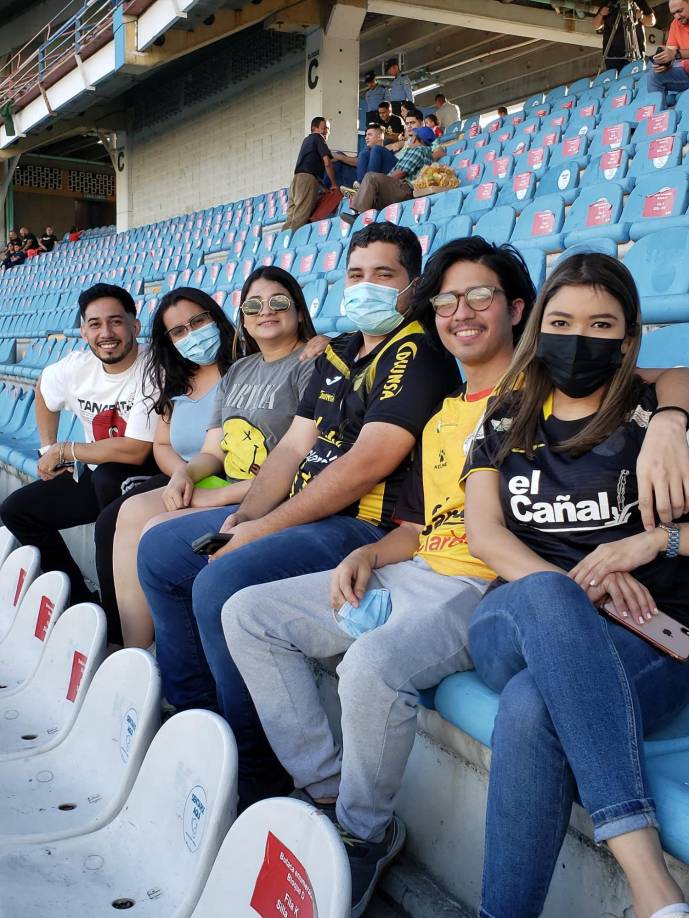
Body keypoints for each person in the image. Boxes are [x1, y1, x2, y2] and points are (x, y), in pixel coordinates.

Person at [222, 238, 537, 917]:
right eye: (447, 300)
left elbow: (660, 384)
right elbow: (423, 524)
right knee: (247, 613)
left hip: (488, 588)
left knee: (370, 665)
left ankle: (362, 836)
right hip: (421, 568)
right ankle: (329, 792)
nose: (460, 312)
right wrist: (367, 555)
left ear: (515, 307)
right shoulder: (445, 414)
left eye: (479, 295)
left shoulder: (544, 391)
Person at [136, 222, 461, 809]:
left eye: (384, 276)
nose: (367, 286)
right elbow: (289, 450)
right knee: (161, 551)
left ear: (412, 287)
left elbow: (367, 464)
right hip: (305, 513)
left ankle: (256, 767)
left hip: (366, 525)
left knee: (220, 581)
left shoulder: (421, 354)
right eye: (357, 274)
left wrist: (259, 530)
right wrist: (242, 521)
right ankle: (197, 714)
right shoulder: (337, 352)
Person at [462, 253, 689, 918]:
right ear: (536, 327)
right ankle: (653, 889)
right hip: (518, 617)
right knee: (552, 599)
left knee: (535, 708)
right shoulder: (505, 417)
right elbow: (485, 536)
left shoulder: (659, 413)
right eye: (559, 320)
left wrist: (652, 540)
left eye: (599, 324)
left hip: (650, 638)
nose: (576, 338)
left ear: (625, 338)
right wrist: (577, 586)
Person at [105, 269, 319, 649]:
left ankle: (175, 669)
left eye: (279, 302)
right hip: (227, 484)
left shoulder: (312, 362)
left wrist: (221, 495)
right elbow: (212, 452)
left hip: (267, 493)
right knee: (125, 514)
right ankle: (134, 651)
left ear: (299, 310)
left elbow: (302, 460)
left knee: (156, 531)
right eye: (254, 305)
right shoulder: (239, 370)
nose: (265, 311)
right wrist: (185, 474)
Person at [91, 286, 236, 646]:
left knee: (146, 527)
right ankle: (132, 648)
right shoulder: (176, 381)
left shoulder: (245, 365)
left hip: (225, 479)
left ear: (215, 317)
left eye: (198, 321)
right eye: (179, 331)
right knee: (115, 518)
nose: (192, 335)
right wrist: (181, 477)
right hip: (185, 476)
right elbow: (162, 444)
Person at [1, 283, 158, 607]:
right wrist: (48, 448)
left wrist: (64, 451)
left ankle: (119, 622)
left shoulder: (153, 365)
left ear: (135, 326)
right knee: (18, 510)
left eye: (116, 321)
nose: (106, 332)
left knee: (107, 483)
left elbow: (135, 450)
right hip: (100, 472)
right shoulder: (75, 367)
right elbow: (44, 388)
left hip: (150, 474)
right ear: (84, 333)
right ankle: (81, 602)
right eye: (95, 324)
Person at [348, 126, 434, 216]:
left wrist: (382, 182)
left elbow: (401, 172)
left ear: (416, 139)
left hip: (405, 190)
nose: (410, 138)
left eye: (412, 136)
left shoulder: (418, 150)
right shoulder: (427, 153)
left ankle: (359, 214)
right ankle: (363, 199)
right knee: (370, 176)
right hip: (402, 189)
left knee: (371, 177)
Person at [283, 117, 337, 232]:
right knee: (300, 218)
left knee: (291, 219)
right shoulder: (318, 137)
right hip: (306, 180)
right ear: (314, 128)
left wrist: (324, 188)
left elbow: (310, 167)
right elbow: (327, 162)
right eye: (324, 128)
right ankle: (290, 246)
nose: (326, 132)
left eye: (328, 129)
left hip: (296, 181)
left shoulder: (306, 141)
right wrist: (333, 184)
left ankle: (281, 245)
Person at [332, 124, 398, 193]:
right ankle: (360, 186)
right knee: (363, 154)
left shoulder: (384, 150)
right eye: (366, 135)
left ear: (379, 136)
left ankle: (366, 187)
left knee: (376, 148)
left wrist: (340, 157)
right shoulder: (367, 153)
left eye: (370, 135)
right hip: (376, 181)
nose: (366, 138)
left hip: (393, 179)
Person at [593, 2, 655, 74]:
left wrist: (641, 17)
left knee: (634, 77)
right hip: (612, 55)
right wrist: (601, 14)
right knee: (615, 80)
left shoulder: (639, 2)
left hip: (635, 53)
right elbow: (595, 25)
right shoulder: (609, 3)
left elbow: (652, 21)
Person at [647, 0, 689, 93]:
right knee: (654, 76)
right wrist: (665, 63)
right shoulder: (675, 24)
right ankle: (658, 107)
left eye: (680, 11)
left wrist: (676, 54)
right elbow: (670, 51)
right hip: (686, 73)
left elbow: (675, 53)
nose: (677, 16)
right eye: (673, 13)